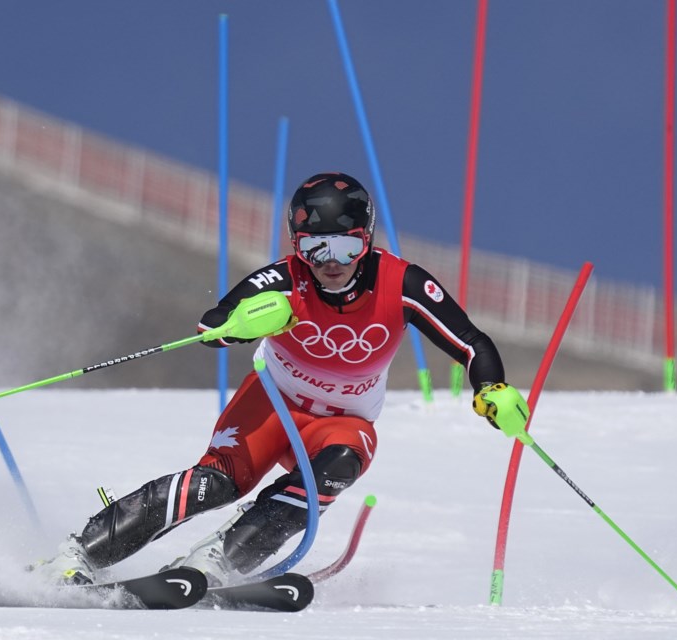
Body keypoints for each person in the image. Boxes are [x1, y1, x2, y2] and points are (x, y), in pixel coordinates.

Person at [35, 171, 529, 587]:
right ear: (298, 246)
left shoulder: (402, 282)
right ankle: (78, 556)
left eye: (345, 244)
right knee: (217, 484)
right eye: (316, 246)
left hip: (342, 421)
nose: (331, 262)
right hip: (271, 403)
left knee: (336, 467)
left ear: (367, 239)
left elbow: (471, 342)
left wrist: (492, 389)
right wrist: (242, 324)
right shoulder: (284, 278)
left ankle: (218, 560)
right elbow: (211, 328)